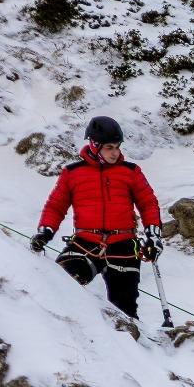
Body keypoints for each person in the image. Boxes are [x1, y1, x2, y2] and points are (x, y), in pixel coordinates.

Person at [31, 115, 163, 320]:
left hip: (124, 245)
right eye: (109, 147)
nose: (115, 152)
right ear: (94, 145)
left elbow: (148, 204)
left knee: (124, 312)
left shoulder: (131, 172)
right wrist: (46, 230)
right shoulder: (72, 173)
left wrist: (153, 235)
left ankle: (131, 346)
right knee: (58, 285)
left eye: (117, 147)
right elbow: (56, 206)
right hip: (86, 243)